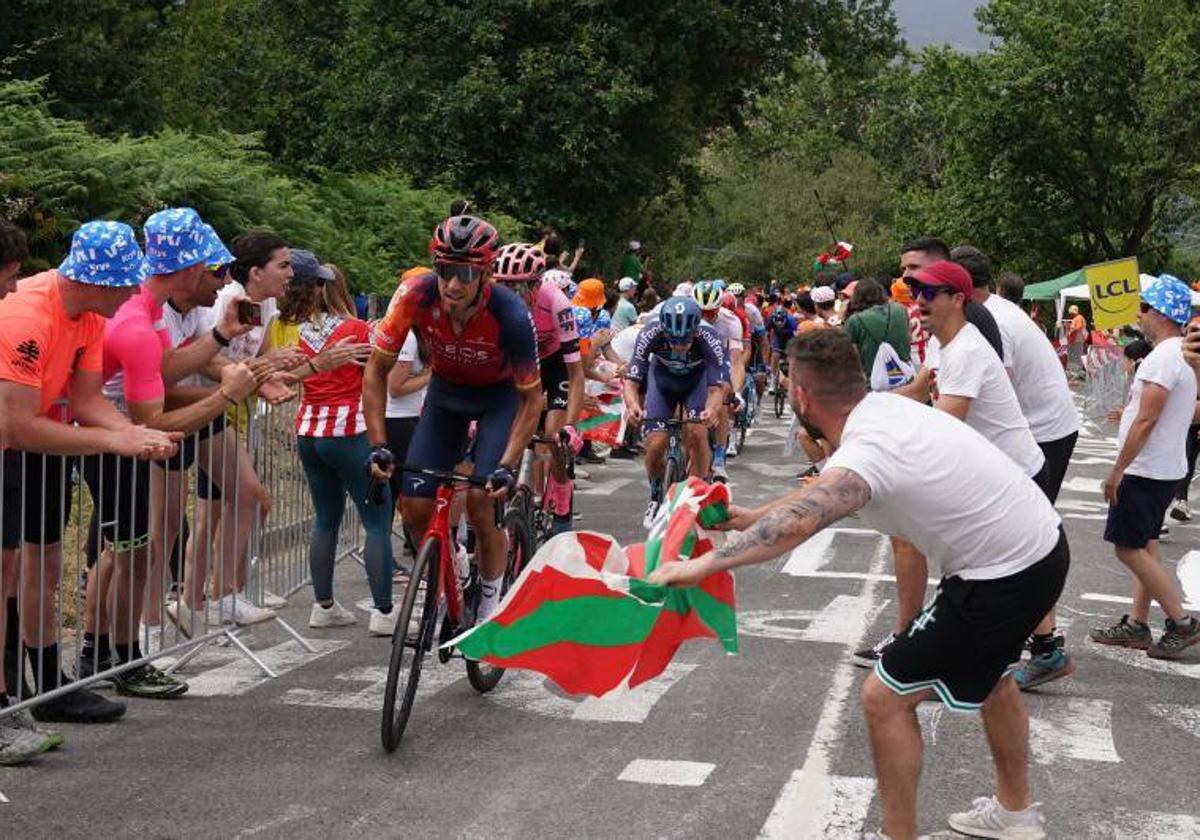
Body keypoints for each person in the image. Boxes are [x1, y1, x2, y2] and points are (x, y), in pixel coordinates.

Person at [649, 329, 1068, 840]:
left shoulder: (868, 446)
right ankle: (1016, 814)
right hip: (1040, 545)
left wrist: (698, 566)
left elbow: (804, 520)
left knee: (884, 697)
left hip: (1003, 573)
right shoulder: (879, 412)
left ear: (801, 395)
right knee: (995, 678)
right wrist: (750, 516)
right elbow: (821, 493)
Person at [0, 221, 176, 743]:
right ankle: (16, 693)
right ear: (98, 281)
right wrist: (111, 442)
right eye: (126, 284)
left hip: (43, 432)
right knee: (10, 573)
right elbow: (17, 424)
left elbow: (87, 400)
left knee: (42, 562)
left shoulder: (94, 313)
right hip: (24, 437)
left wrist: (134, 433)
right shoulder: (26, 314)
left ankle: (49, 683)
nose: (131, 295)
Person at [81, 209, 259, 700]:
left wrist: (222, 344)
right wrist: (225, 397)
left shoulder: (149, 309)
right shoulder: (136, 317)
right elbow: (154, 419)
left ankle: (108, 655)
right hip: (109, 434)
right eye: (215, 270)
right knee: (128, 554)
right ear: (188, 269)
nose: (221, 280)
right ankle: (114, 658)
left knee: (128, 554)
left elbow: (165, 373)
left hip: (112, 428)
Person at [364, 215, 542, 630]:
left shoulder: (511, 314)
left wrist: (507, 463)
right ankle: (455, 561)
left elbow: (532, 400)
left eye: (464, 273)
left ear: (484, 274)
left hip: (500, 400)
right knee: (414, 507)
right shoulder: (414, 294)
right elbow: (375, 373)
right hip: (445, 397)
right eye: (445, 271)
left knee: (482, 502)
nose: (453, 285)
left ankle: (490, 602)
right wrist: (378, 443)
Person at [953, 245, 1083, 687]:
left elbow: (993, 391)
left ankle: (1043, 647)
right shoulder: (993, 311)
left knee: (1024, 540)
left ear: (960, 289)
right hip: (1041, 430)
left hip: (1042, 434)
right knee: (1022, 538)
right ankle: (1038, 643)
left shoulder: (992, 322)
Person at [271, 251, 386, 632]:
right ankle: (385, 612)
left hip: (309, 429)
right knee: (376, 520)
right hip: (349, 427)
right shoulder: (357, 330)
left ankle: (323, 605)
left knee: (325, 519)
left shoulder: (288, 330)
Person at [1090, 275, 1200, 658]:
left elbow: (1148, 420)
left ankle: (1182, 622)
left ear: (1163, 313)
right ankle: (1138, 624)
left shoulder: (1164, 356)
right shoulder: (1177, 355)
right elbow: (1158, 412)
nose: (1139, 313)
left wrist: (1118, 469)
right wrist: (1130, 414)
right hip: (1163, 467)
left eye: (1145, 307)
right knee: (1145, 544)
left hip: (1147, 469)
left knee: (1127, 547)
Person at [492, 243, 585, 535]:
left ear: (536, 284)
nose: (512, 298)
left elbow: (576, 372)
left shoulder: (557, 302)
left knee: (553, 435)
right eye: (504, 288)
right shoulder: (491, 302)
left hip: (554, 363)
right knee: (506, 429)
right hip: (520, 363)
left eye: (519, 290)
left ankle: (561, 495)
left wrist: (571, 425)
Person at [624, 297, 727, 528]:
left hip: (695, 384)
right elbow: (631, 381)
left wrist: (711, 410)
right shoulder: (650, 333)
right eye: (673, 341)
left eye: (685, 340)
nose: (679, 346)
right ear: (664, 330)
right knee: (656, 443)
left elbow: (715, 389)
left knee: (697, 433)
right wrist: (633, 405)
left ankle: (697, 493)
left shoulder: (710, 338)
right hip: (662, 382)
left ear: (695, 331)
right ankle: (655, 493)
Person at [384, 268, 433, 533]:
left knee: (406, 496)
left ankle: (412, 553)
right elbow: (396, 386)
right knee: (408, 496)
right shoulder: (409, 334)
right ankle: (413, 555)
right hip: (398, 421)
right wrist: (430, 376)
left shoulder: (417, 330)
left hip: (407, 418)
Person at [692, 281, 744, 481]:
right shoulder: (687, 314)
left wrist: (736, 392)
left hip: (718, 359)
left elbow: (736, 361)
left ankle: (720, 458)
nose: (706, 317)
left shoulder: (731, 321)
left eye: (711, 312)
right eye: (702, 312)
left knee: (722, 396)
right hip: (693, 356)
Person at [843, 279, 911, 380]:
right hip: (906, 374)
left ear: (856, 297)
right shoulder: (900, 310)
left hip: (875, 380)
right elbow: (909, 339)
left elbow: (852, 357)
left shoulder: (855, 321)